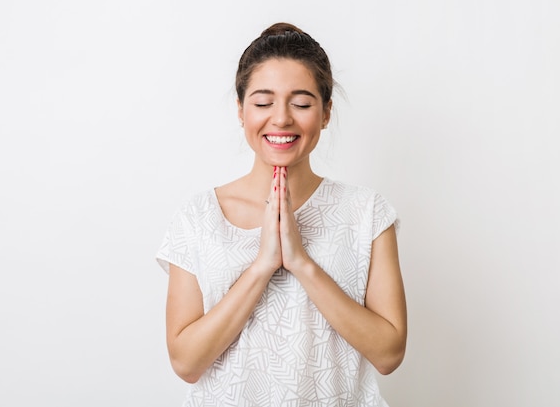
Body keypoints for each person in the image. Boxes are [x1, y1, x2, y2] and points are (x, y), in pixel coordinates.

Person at [156, 22, 407, 406]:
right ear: (240, 110)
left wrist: (301, 262)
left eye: (302, 103)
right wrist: (263, 265)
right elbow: (186, 362)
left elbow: (389, 354)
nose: (281, 119)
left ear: (325, 113)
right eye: (262, 102)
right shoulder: (198, 217)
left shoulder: (366, 213)